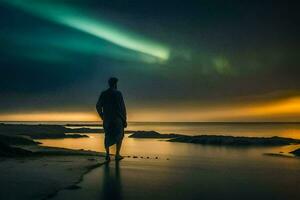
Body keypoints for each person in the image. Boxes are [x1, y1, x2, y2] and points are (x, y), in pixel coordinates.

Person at [96, 77, 127, 161]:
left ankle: (107, 155)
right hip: (117, 118)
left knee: (107, 135)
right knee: (119, 136)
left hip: (107, 119)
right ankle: (117, 154)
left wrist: (102, 115)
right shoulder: (118, 93)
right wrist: (124, 119)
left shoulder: (104, 93)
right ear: (115, 84)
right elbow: (122, 108)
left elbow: (98, 106)